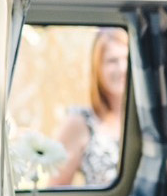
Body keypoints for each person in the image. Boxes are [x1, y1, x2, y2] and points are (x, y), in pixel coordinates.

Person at [47, 27, 127, 187]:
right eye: (112, 60)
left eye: (127, 59)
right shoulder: (80, 122)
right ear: (98, 67)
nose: (122, 68)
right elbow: (55, 191)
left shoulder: (156, 120)